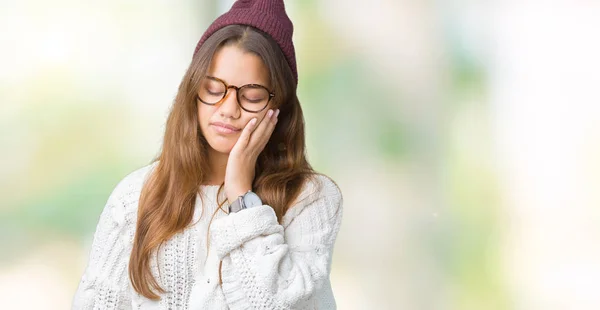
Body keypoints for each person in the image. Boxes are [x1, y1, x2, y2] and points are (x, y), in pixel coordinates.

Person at [71, 0, 343, 309]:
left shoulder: (311, 198)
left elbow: (276, 303)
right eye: (214, 89)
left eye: (251, 96)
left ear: (277, 106)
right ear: (193, 91)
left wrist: (242, 196)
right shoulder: (135, 196)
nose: (228, 110)